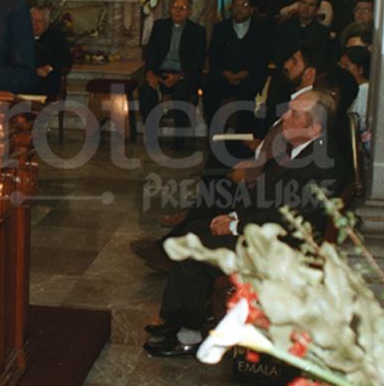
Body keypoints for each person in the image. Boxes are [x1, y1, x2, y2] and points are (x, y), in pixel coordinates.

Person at [143, 89, 344, 357]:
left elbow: (288, 219)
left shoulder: (322, 165)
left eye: (294, 114)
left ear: (315, 127)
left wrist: (235, 226)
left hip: (282, 248)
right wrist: (234, 217)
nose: (284, 116)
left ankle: (188, 334)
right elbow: (267, 198)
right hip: (266, 233)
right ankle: (180, 321)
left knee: (194, 244)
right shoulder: (299, 146)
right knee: (196, 230)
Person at [137, 0, 206, 148]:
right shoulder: (160, 26)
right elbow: (151, 53)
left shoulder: (197, 31)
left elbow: (198, 62)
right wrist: (150, 73)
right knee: (146, 90)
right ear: (169, 9)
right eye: (175, 7)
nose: (178, 11)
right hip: (160, 72)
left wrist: (179, 76)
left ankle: (179, 138)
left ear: (189, 11)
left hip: (183, 75)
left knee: (182, 92)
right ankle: (151, 132)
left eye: (182, 8)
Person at [202, 0, 273, 132]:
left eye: (244, 6)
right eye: (236, 6)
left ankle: (242, 138)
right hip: (223, 75)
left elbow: (263, 57)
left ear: (252, 9)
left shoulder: (261, 30)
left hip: (249, 76)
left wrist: (245, 73)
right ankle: (215, 131)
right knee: (210, 91)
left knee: (246, 97)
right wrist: (225, 72)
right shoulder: (221, 28)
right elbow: (213, 54)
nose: (239, 9)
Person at [273, 0, 330, 67]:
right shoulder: (285, 26)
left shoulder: (322, 32)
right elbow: (278, 52)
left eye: (311, 5)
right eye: (303, 3)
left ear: (317, 10)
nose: (306, 8)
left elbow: (321, 59)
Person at [30, 5, 72, 99]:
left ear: (47, 23)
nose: (34, 24)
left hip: (45, 81)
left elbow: (66, 59)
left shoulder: (56, 37)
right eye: (32, 20)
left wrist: (49, 68)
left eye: (39, 21)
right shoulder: (20, 35)